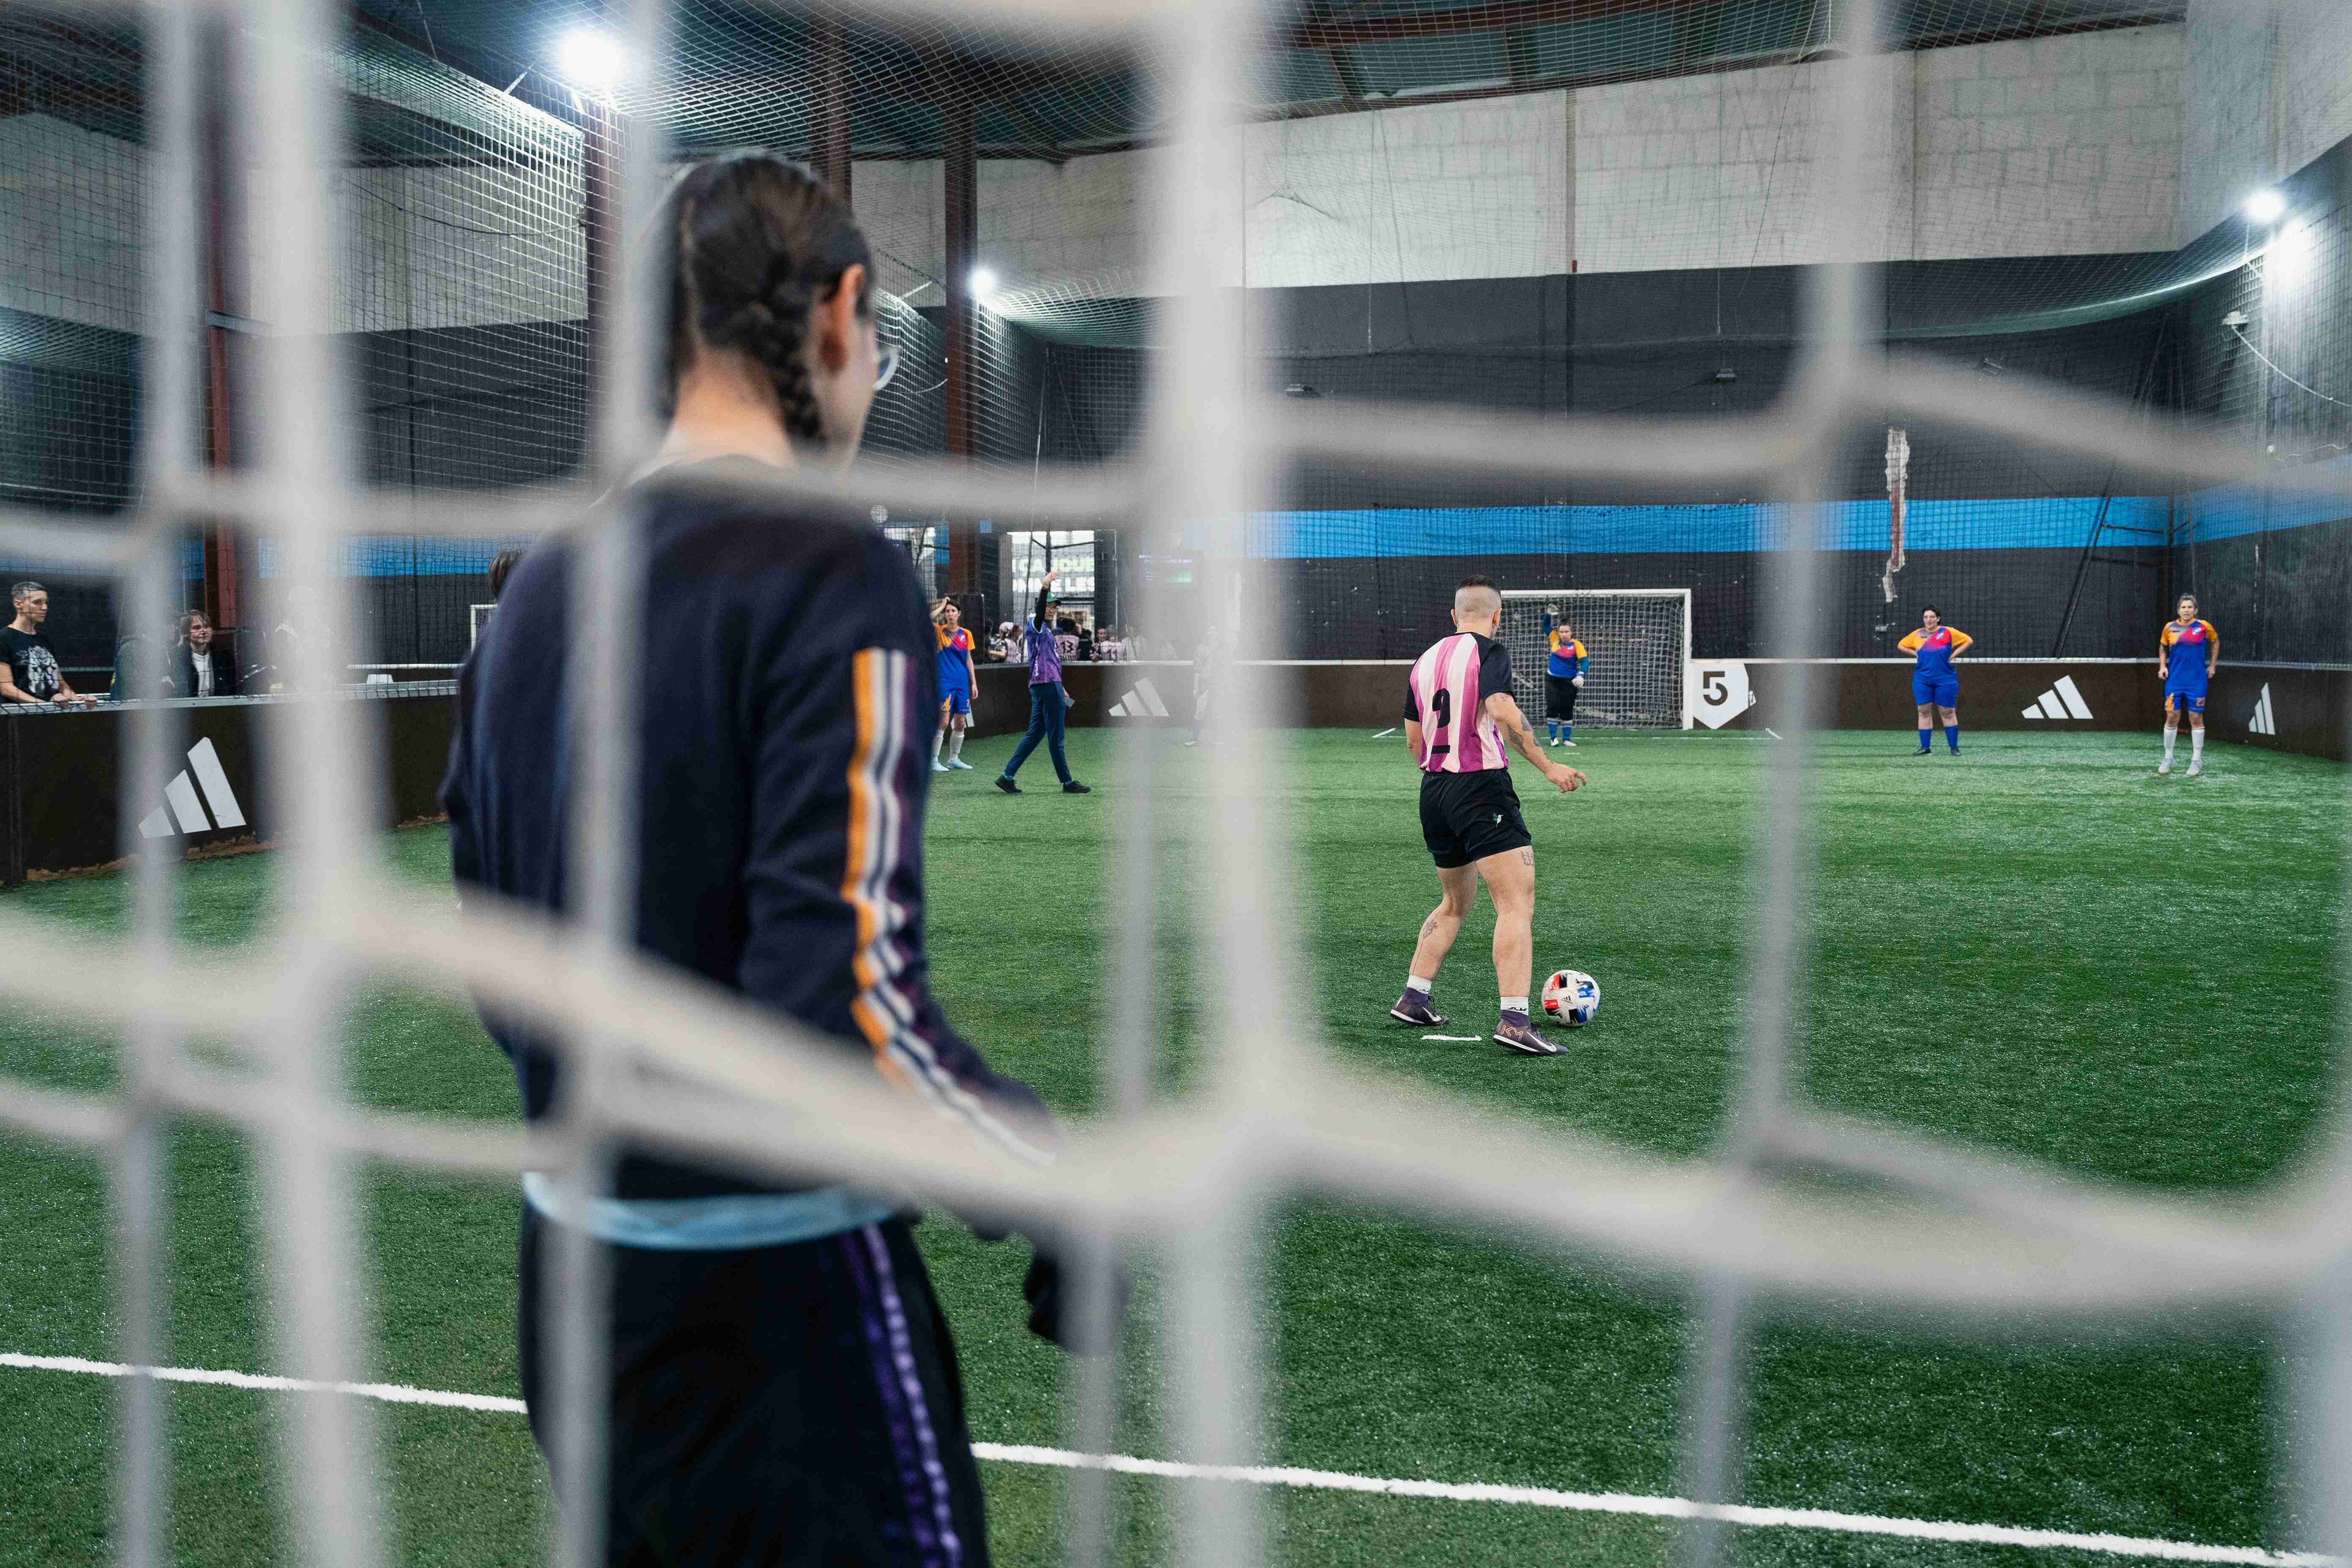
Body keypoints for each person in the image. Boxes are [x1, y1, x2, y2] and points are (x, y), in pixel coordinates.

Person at [441, 152, 1112, 1568]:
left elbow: (495, 951)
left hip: (575, 1291)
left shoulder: (540, 582)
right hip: (778, 1315)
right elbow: (844, 1001)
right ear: (838, 311)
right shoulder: (832, 566)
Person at [1389, 577, 1586, 1056]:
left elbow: (1414, 741)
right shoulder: (1489, 652)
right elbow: (1500, 708)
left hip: (1433, 790)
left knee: (1455, 901)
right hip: (1480, 789)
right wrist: (1548, 766)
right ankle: (1515, 1021)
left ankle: (1414, 998)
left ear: (1453, 616)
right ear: (1496, 616)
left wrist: (1442, 776)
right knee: (1515, 903)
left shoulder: (1423, 661)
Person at [995, 571, 1088, 794]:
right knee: (1057, 737)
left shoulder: (1045, 630)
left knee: (1035, 735)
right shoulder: (1035, 625)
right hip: (1047, 685)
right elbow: (1039, 614)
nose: (1052, 609)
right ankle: (1067, 782)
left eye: (1055, 606)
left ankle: (1007, 777)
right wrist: (1045, 586)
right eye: (1049, 605)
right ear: (1041, 606)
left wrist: (1061, 686)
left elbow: (1049, 661)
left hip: (1043, 686)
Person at [1, 581, 96, 707]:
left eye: (46, 602)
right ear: (19, 604)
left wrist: (79, 700)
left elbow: (60, 682)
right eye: (38, 603)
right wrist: (46, 706)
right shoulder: (4, 638)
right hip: (18, 715)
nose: (45, 608)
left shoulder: (44, 640)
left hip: (51, 713)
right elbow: (6, 688)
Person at [2158, 594, 2219, 776]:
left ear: (2195, 610)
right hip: (2174, 681)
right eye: (2183, 607)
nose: (2187, 610)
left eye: (2190, 607)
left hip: (2197, 681)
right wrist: (2163, 666)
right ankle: (2168, 757)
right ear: (2179, 610)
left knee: (2196, 718)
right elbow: (2163, 647)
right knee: (2172, 717)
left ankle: (2197, 760)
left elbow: (2215, 642)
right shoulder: (2170, 628)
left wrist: (2213, 665)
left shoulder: (2204, 627)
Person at [1898, 606, 1972, 755]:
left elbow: (1968, 641)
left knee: (1948, 712)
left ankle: (1954, 748)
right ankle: (1925, 748)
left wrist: (1953, 655)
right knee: (1924, 711)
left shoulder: (1948, 632)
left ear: (1938, 619)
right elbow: (1901, 645)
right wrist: (1916, 654)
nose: (1929, 620)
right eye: (1926, 617)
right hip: (1922, 679)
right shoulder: (1918, 634)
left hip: (1945, 679)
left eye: (1932, 617)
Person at [933, 597, 977, 773]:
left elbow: (969, 660)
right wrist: (942, 606)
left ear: (959, 614)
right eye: (948, 611)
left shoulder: (966, 634)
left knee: (961, 723)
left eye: (953, 611)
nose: (950, 614)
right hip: (945, 682)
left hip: (963, 683)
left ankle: (954, 759)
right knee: (943, 721)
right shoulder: (939, 631)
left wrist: (973, 683)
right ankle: (933, 760)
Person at [170, 610, 238, 698]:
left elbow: (232, 690)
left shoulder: (225, 657)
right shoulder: (177, 657)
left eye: (207, 627)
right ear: (187, 633)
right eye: (197, 628)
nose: (203, 631)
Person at [1544, 611, 1586, 747]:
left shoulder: (1577, 645)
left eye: (1567, 632)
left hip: (1569, 682)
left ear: (1571, 632)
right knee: (1553, 706)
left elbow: (1585, 662)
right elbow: (1545, 627)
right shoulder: (1554, 638)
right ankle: (1553, 738)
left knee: (1567, 709)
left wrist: (1581, 675)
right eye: (1561, 632)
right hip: (1552, 680)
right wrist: (1548, 615)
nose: (1564, 634)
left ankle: (1567, 739)